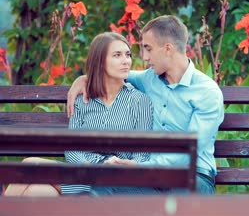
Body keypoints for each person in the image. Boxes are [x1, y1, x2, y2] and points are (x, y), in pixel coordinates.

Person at [67, 15, 224, 194]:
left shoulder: (207, 92)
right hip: (150, 178)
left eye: (148, 49)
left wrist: (142, 167)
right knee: (103, 186)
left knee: (178, 204)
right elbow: (114, 73)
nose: (145, 57)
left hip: (193, 177)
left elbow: (189, 151)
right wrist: (83, 79)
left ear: (167, 49)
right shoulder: (149, 78)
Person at [4, 32, 154, 197]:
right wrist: (94, 166)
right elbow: (72, 149)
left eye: (128, 55)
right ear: (100, 62)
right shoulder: (83, 100)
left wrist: (120, 164)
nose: (126, 61)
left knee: (30, 164)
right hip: (84, 176)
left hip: (118, 182)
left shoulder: (140, 101)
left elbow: (142, 157)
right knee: (35, 192)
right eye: (117, 55)